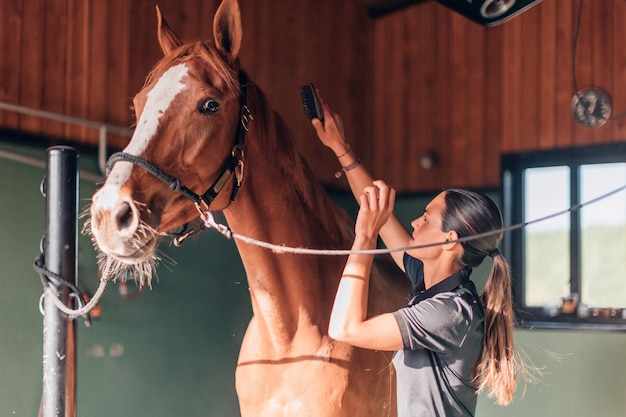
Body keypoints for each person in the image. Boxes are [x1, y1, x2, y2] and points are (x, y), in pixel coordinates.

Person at [310, 93, 521, 417]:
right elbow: (379, 212)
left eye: (425, 218)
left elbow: (345, 330)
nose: (414, 222)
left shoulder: (450, 312)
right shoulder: (432, 284)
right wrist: (342, 149)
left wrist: (363, 237)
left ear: (450, 240)